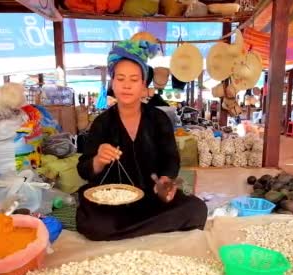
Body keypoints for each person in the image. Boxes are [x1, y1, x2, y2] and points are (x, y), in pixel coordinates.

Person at [76, 40, 208, 241]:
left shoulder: (158, 119)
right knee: (93, 223)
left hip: (151, 197)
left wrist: (165, 181)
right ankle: (148, 229)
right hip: (113, 201)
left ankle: (126, 232)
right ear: (112, 84)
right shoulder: (102, 123)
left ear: (144, 86)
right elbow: (84, 170)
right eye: (120, 78)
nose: (126, 85)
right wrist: (98, 160)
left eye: (134, 79)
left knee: (196, 209)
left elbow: (171, 159)